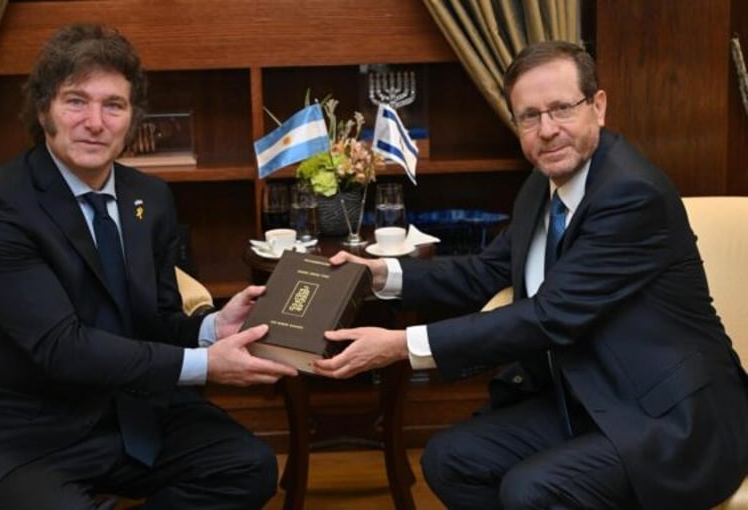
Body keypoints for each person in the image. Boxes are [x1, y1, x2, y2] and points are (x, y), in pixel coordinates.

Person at [316, 41, 748, 509]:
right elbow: (486, 271)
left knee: (532, 490)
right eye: (529, 116)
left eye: (562, 109)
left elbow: (549, 316)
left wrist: (400, 347)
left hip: (671, 418)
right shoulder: (543, 186)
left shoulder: (630, 195)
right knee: (450, 458)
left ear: (597, 107)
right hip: (588, 396)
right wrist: (380, 274)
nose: (547, 130)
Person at [0, 23, 297, 510]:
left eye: (114, 105)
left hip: (129, 410)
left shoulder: (151, 198)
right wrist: (208, 365)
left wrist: (211, 329)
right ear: (44, 112)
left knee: (247, 467)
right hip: (23, 428)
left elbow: (155, 321)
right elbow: (60, 348)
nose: (95, 122)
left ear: (132, 119)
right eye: (76, 101)